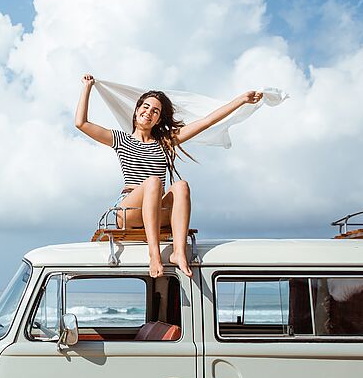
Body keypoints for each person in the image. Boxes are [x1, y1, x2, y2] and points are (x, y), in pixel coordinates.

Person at [75, 73, 263, 278]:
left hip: (157, 210)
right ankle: (154, 255)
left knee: (181, 185)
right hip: (129, 211)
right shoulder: (121, 139)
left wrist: (241, 100)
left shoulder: (165, 142)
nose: (149, 112)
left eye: (155, 111)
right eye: (145, 107)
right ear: (137, 110)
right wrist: (87, 87)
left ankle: (178, 253)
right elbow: (81, 123)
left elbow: (206, 121)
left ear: (158, 119)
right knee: (154, 182)